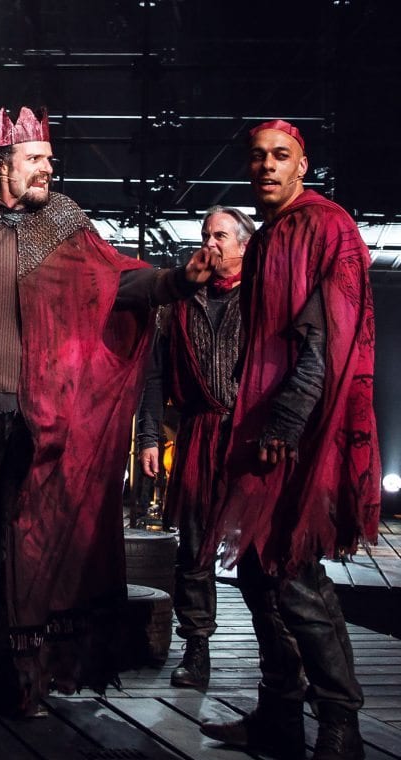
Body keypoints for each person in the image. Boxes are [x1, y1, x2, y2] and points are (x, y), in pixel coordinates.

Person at [0, 106, 216, 722]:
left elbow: (116, 284)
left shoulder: (64, 223)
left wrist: (177, 280)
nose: (48, 167)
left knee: (27, 549)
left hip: (39, 419)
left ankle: (18, 672)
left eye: (48, 158)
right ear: (1, 163)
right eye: (36, 158)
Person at [197, 120, 379, 760]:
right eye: (258, 157)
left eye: (281, 156)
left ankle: (341, 727)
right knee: (255, 569)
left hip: (300, 429)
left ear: (303, 165)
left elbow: (325, 339)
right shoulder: (272, 235)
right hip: (264, 423)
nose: (267, 166)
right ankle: (279, 712)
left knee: (294, 572)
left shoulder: (327, 227)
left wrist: (286, 423)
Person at [135, 205, 256, 689]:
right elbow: (154, 374)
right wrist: (148, 436)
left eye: (220, 235)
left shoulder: (263, 295)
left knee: (260, 548)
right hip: (198, 431)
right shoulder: (180, 299)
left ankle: (283, 659)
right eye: (206, 234)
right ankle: (197, 648)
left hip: (249, 434)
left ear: (245, 244)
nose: (210, 243)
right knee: (193, 547)